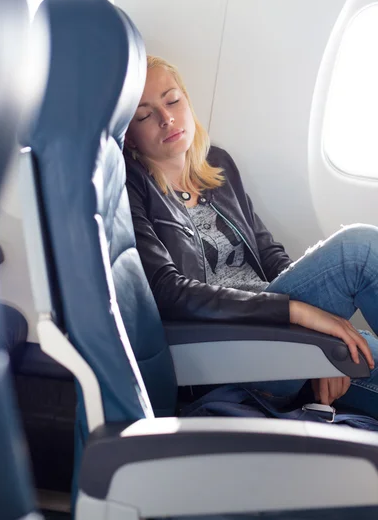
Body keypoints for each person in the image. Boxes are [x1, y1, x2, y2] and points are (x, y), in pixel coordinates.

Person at [124, 54, 378, 419]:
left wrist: (321, 337)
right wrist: (298, 314)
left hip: (275, 329)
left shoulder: (219, 164)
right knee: (357, 251)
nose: (167, 119)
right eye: (145, 115)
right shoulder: (133, 187)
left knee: (363, 352)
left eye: (172, 100)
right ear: (130, 137)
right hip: (227, 345)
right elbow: (169, 291)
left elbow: (268, 252)